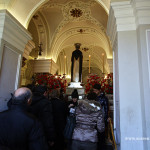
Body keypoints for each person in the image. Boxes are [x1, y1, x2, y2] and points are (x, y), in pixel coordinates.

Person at [93, 83, 109, 150]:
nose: (95, 92)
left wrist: (105, 120)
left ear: (99, 90)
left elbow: (106, 110)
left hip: (101, 120)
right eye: (94, 90)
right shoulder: (94, 97)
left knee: (101, 138)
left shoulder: (104, 99)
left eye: (96, 90)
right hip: (94, 120)